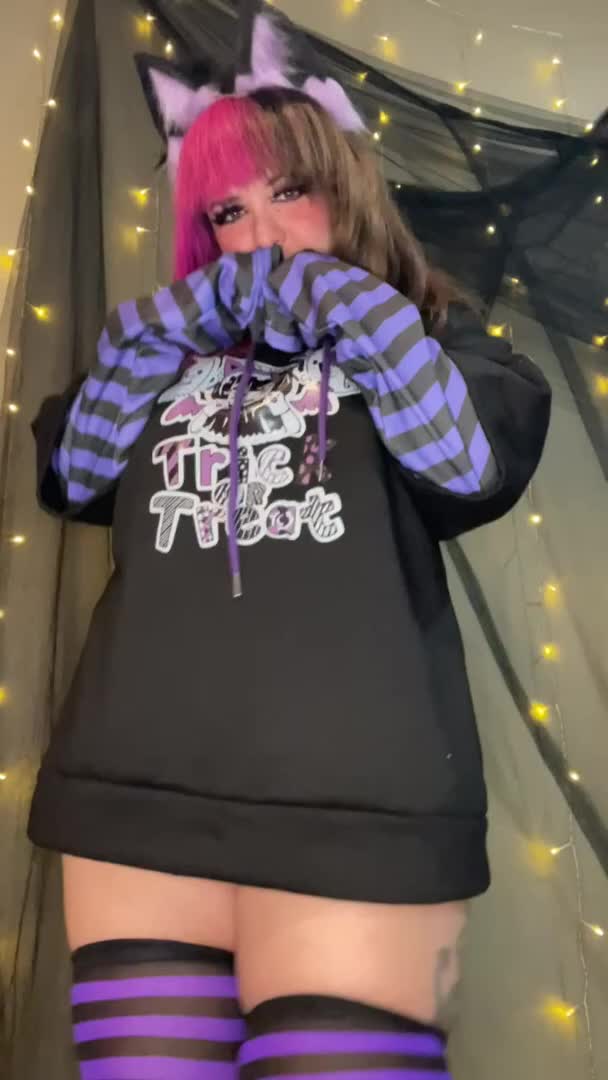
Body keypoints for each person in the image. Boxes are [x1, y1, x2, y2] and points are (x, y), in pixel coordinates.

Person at [27, 5, 551, 1079]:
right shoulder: (165, 356)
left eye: (290, 190)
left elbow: (464, 468)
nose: (261, 234)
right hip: (135, 798)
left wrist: (346, 302)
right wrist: (171, 332)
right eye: (227, 209)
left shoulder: (445, 351)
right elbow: (72, 475)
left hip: (359, 808)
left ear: (345, 187)